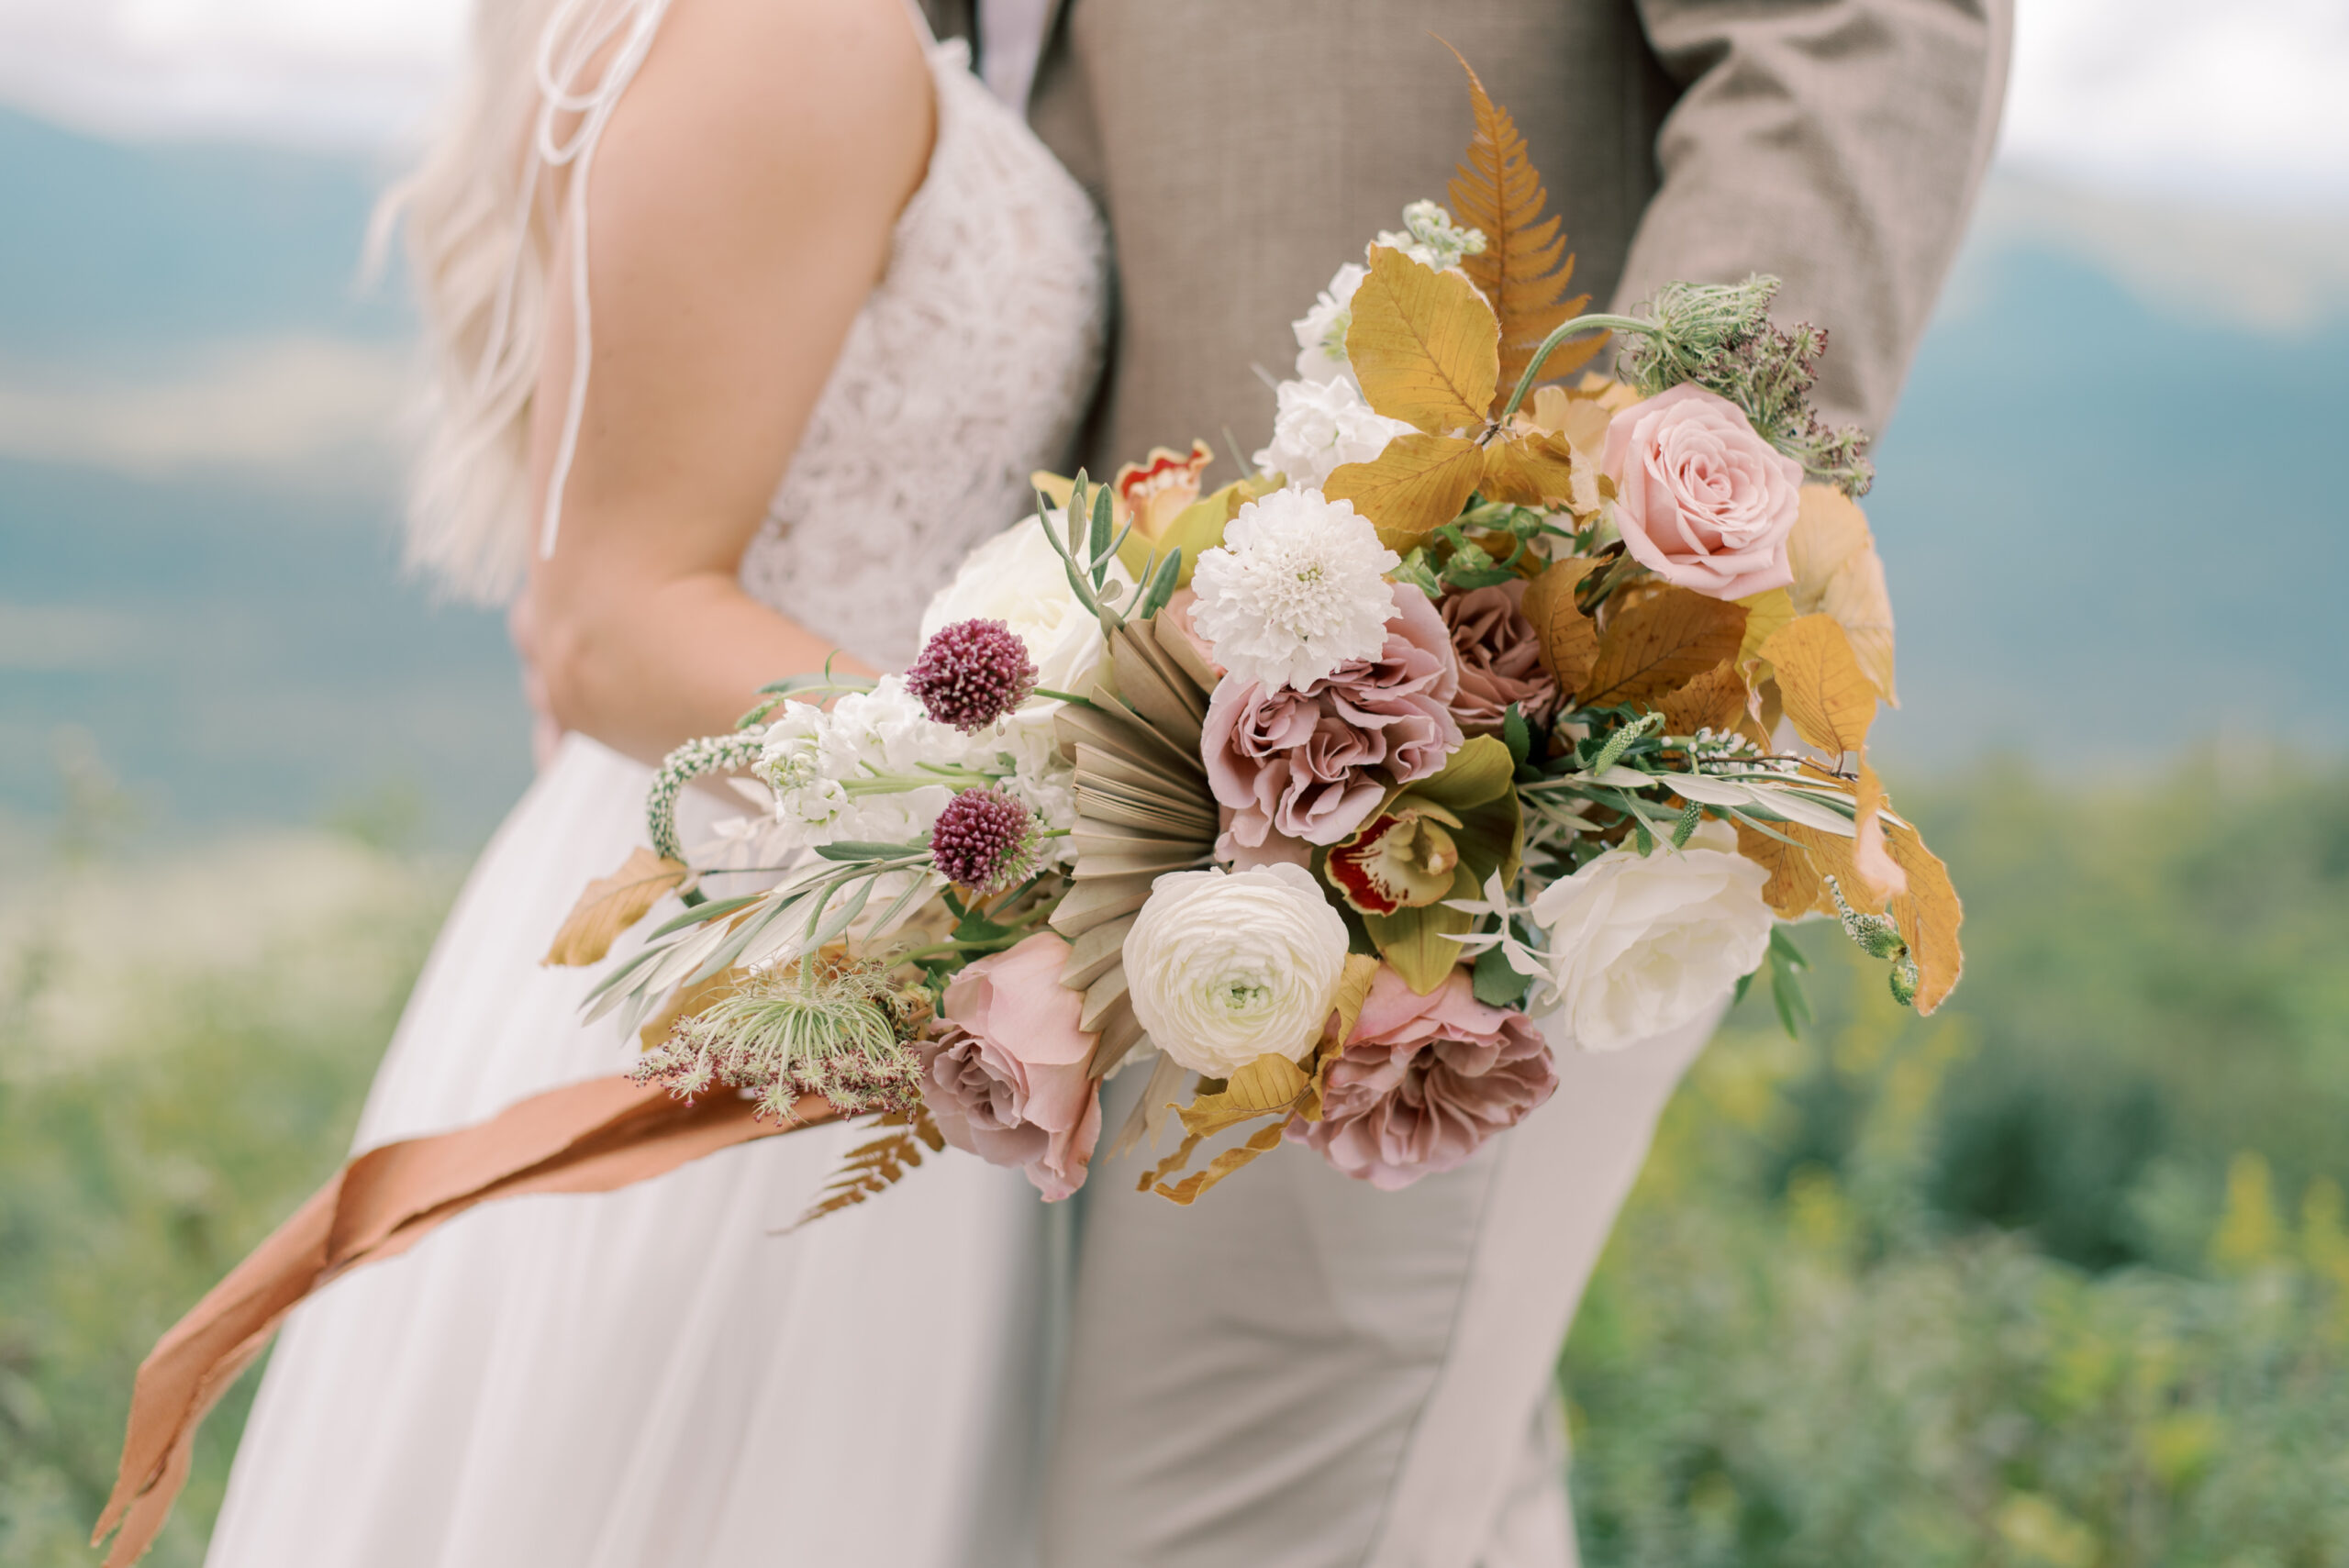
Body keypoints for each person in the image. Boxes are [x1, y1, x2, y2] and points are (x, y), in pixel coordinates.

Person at [923, 1, 2011, 1562]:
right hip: (1105, 764)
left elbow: (1859, 34)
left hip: (1438, 801)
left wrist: (1586, 603)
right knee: (1417, 1493)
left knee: (1221, 1518)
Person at [203, 1, 1106, 1563]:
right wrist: (1039, 838)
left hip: (850, 912)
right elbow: (610, 626)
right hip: (759, 931)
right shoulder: (790, 27)